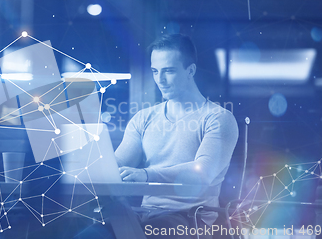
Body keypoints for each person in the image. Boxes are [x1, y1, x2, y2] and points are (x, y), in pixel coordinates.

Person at [75, 34, 238, 239]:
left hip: (189, 219)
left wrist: (146, 174)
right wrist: (93, 166)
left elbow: (203, 173)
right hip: (143, 215)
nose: (160, 80)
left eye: (169, 71)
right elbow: (118, 163)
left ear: (191, 71)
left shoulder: (218, 118)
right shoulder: (144, 118)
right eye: (155, 71)